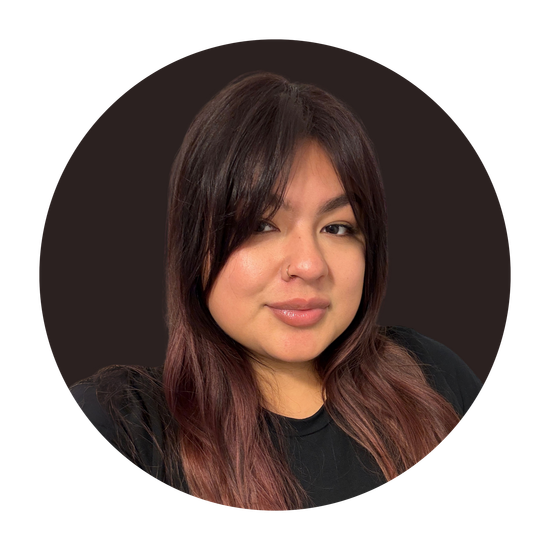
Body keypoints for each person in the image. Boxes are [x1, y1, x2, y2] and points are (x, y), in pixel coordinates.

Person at [69, 71, 483, 511]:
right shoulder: (126, 422)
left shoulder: (430, 377)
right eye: (261, 225)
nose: (309, 265)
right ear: (195, 247)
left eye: (337, 227)